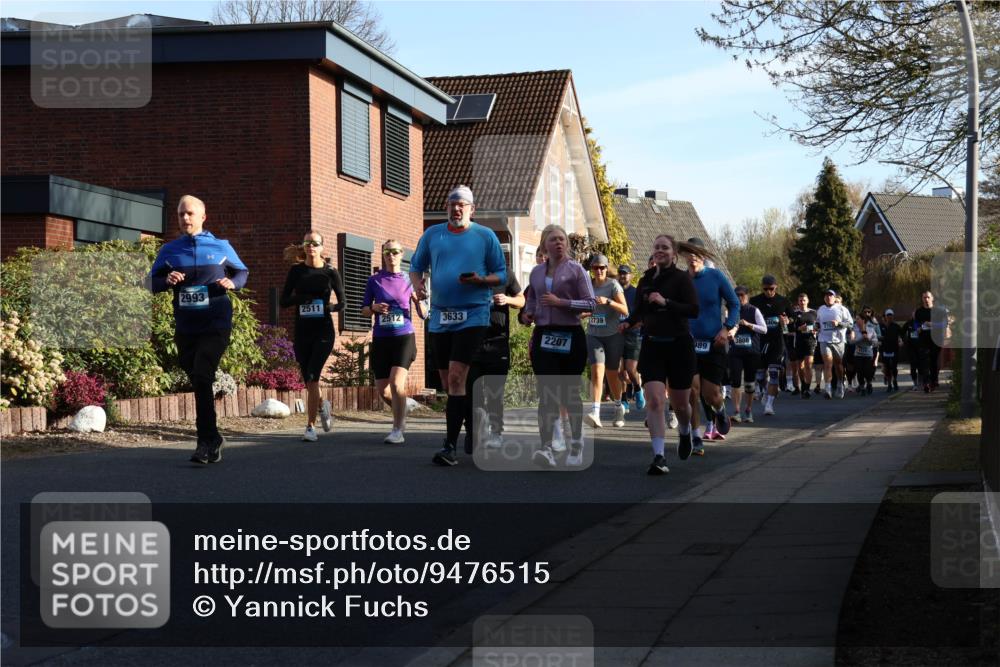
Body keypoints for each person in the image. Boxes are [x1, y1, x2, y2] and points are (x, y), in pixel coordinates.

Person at [410, 185, 507, 466]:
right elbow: (416, 267)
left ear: (472, 210)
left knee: (455, 377)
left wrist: (480, 280)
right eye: (453, 204)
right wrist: (419, 286)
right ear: (447, 207)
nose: (457, 209)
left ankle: (449, 447)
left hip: (474, 313)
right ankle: (475, 427)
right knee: (448, 382)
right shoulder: (433, 234)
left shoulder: (485, 236)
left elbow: (500, 274)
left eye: (462, 204)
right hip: (441, 315)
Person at [149, 195, 248, 464]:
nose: (185, 218)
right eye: (181, 214)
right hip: (186, 325)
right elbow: (150, 282)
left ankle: (205, 441)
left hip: (216, 322)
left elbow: (242, 272)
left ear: (203, 217)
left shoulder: (220, 246)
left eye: (190, 213)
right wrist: (166, 280)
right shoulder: (170, 250)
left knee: (203, 374)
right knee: (195, 375)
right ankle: (213, 437)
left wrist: (233, 283)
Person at [625, 235, 699, 475]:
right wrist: (628, 322)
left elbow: (693, 309)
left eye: (664, 248)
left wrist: (665, 301)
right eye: (656, 247)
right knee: (656, 401)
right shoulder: (646, 280)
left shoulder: (682, 279)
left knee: (680, 405)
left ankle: (685, 430)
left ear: (673, 254)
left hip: (679, 346)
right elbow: (639, 310)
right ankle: (659, 456)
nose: (659, 251)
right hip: (652, 345)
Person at [523, 224, 595, 468]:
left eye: (562, 239)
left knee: (569, 393)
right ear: (544, 245)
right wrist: (527, 314)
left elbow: (591, 304)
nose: (559, 243)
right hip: (544, 334)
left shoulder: (577, 271)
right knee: (547, 393)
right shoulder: (535, 272)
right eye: (553, 240)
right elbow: (532, 299)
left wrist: (561, 302)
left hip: (570, 335)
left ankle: (576, 441)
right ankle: (547, 448)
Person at [362, 239, 425, 445]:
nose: (391, 255)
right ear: (383, 255)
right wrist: (374, 308)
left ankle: (397, 429)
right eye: (387, 252)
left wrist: (419, 301)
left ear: (402, 254)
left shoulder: (409, 279)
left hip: (403, 337)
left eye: (395, 252)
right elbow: (363, 309)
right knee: (384, 391)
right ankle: (402, 413)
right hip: (381, 338)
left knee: (397, 384)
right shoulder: (374, 280)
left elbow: (424, 314)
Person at [681, 240, 738, 455]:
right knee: (691, 391)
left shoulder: (716, 277)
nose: (693, 257)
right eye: (689, 253)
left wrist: (726, 329)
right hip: (688, 343)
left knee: (710, 393)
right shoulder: (682, 280)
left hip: (714, 343)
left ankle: (720, 410)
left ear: (703, 256)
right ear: (685, 256)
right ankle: (696, 437)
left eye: (697, 253)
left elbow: (734, 305)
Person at [466, 247, 525, 451]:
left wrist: (507, 300)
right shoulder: (471, 274)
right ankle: (475, 428)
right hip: (472, 341)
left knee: (494, 392)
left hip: (497, 342)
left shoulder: (506, 274)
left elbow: (522, 299)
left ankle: (496, 432)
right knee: (472, 391)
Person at [584, 254, 629, 429]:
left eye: (602, 268)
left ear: (606, 268)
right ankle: (595, 412)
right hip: (594, 334)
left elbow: (625, 309)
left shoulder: (613, 285)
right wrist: (585, 312)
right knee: (596, 372)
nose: (599, 271)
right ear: (592, 270)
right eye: (595, 268)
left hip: (612, 335)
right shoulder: (587, 286)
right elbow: (583, 309)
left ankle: (618, 407)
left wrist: (608, 301)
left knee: (611, 374)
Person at [749, 275, 796, 416]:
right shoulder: (755, 301)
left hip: (777, 341)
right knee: (760, 375)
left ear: (776, 287)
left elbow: (793, 318)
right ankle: (763, 390)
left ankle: (769, 404)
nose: (769, 291)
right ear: (762, 287)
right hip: (760, 341)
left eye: (771, 288)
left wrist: (788, 320)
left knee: (774, 373)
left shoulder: (783, 301)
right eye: (766, 289)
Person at [728, 286, 766, 424]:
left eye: (742, 295)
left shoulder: (754, 310)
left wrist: (750, 325)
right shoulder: (731, 311)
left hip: (751, 352)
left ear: (747, 296)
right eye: (736, 295)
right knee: (735, 382)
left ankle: (748, 410)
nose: (739, 297)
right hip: (735, 352)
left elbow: (764, 329)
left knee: (749, 384)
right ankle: (737, 411)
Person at [616, 265, 645, 414]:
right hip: (617, 334)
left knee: (630, 369)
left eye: (625, 274)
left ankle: (638, 389)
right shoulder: (614, 292)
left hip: (634, 334)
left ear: (631, 276)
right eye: (620, 273)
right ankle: (624, 399)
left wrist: (634, 324)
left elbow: (641, 313)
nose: (623, 276)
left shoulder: (635, 293)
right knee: (619, 370)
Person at [816, 289, 853, 399]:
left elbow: (850, 323)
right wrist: (816, 326)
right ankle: (827, 389)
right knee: (827, 364)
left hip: (838, 340)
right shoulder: (821, 309)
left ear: (834, 297)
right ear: (824, 298)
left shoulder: (842, 309)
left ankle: (840, 384)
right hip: (824, 339)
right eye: (826, 296)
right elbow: (818, 321)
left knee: (838, 365)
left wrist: (839, 323)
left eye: (831, 295)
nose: (828, 297)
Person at [914, 290, 948, 392]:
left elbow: (944, 324)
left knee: (933, 361)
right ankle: (926, 383)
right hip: (923, 339)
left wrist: (932, 324)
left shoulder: (939, 311)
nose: (926, 299)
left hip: (936, 339)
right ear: (922, 299)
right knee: (924, 361)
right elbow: (915, 323)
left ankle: (933, 381)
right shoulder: (919, 311)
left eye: (928, 297)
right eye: (924, 297)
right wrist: (917, 328)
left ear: (932, 298)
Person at [791, 293, 818, 398]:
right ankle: (803, 384)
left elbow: (818, 325)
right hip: (798, 341)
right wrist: (798, 329)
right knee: (800, 366)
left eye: (804, 300)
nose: (802, 302)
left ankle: (807, 388)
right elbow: (789, 328)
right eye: (800, 300)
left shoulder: (813, 312)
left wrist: (816, 329)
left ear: (808, 301)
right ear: (798, 302)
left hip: (810, 341)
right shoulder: (794, 313)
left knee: (808, 364)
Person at [852, 307, 879, 395]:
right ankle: (862, 386)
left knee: (868, 371)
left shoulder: (871, 329)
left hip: (868, 354)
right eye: (856, 319)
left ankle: (869, 383)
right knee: (859, 371)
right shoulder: (854, 329)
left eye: (858, 319)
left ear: (863, 321)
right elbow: (852, 341)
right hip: (858, 354)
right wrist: (861, 338)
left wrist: (868, 339)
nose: (856, 321)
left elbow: (875, 342)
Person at [880, 309, 903, 391]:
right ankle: (889, 384)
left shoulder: (896, 326)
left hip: (894, 349)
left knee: (894, 367)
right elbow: (876, 335)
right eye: (888, 315)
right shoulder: (881, 326)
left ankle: (895, 381)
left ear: (893, 316)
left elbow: (902, 335)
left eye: (891, 315)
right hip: (884, 349)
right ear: (885, 317)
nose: (889, 317)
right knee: (887, 368)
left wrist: (901, 341)